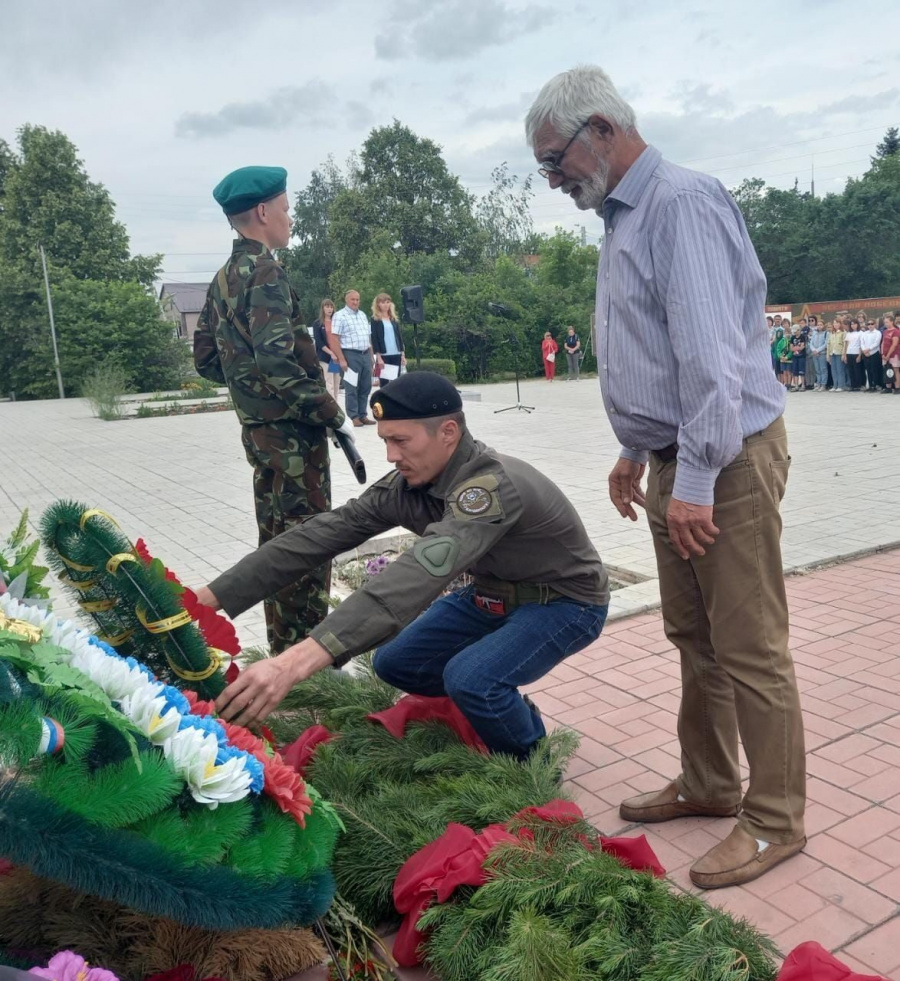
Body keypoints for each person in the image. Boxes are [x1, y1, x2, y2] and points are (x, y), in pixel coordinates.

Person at [527, 65, 806, 889]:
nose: (553, 180)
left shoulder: (680, 202)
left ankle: (775, 817)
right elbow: (658, 352)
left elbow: (713, 361)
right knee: (695, 638)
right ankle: (713, 782)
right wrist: (636, 449)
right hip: (675, 455)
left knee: (750, 648)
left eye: (556, 160)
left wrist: (693, 481)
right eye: (544, 167)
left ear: (603, 129)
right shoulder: (623, 216)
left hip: (723, 461)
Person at [195, 372, 610, 760]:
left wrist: (291, 664)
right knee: (396, 663)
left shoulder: (488, 489)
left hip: (566, 603)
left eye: (401, 441)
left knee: (473, 680)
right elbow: (317, 537)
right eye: (385, 442)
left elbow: (413, 578)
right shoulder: (411, 484)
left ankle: (534, 764)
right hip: (493, 595)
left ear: (448, 433)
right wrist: (205, 601)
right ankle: (497, 710)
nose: (391, 455)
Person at [193, 166, 355, 653]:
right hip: (294, 440)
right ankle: (306, 671)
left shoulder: (223, 277)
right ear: (262, 212)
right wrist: (331, 413)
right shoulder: (265, 271)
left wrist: (252, 398)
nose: (290, 219)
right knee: (306, 549)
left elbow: (205, 358)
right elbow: (279, 363)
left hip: (261, 437)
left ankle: (285, 656)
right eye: (285, 209)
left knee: (277, 548)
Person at [330, 290, 375, 426]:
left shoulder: (362, 315)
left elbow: (368, 336)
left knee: (366, 386)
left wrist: (371, 355)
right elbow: (334, 338)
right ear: (346, 300)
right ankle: (353, 416)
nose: (355, 302)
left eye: (357, 299)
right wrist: (342, 359)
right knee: (351, 387)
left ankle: (363, 415)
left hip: (365, 353)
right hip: (350, 354)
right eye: (352, 300)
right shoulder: (340, 316)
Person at [371, 292, 406, 388]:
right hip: (383, 354)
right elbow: (375, 339)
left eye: (387, 302)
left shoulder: (393, 319)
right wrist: (378, 357)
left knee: (397, 382)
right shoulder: (375, 319)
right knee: (384, 383)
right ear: (378, 304)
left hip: (396, 353)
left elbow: (399, 337)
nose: (385, 305)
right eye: (382, 302)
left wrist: (402, 354)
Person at [312, 299, 340, 401]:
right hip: (325, 357)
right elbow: (319, 342)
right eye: (327, 306)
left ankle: (336, 404)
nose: (329, 309)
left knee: (336, 383)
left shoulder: (337, 322)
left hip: (337, 357)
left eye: (331, 307)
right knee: (329, 383)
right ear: (323, 308)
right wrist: (331, 352)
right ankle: (332, 406)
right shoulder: (318, 323)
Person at [860, 319, 883, 392]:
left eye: (872, 324)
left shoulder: (877, 333)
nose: (870, 325)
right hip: (866, 354)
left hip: (874, 353)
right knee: (868, 370)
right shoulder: (865, 333)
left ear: (875, 324)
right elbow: (862, 342)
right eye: (868, 324)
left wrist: (869, 349)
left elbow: (876, 343)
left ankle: (875, 385)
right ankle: (870, 385)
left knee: (874, 370)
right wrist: (864, 350)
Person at [881, 313, 900, 394]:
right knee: (887, 370)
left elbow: (894, 344)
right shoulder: (885, 331)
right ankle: (888, 387)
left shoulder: (896, 331)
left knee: (895, 370)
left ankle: (897, 387)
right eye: (885, 322)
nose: (886, 324)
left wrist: (888, 355)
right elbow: (883, 343)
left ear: (892, 322)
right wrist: (882, 354)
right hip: (885, 355)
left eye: (887, 322)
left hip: (894, 354)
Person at [827, 319, 848, 392]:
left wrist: (843, 354)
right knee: (834, 370)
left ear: (840, 324)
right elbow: (828, 344)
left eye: (837, 323)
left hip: (839, 353)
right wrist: (828, 355)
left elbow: (844, 344)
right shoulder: (831, 333)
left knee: (840, 370)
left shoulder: (843, 332)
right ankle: (835, 385)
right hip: (832, 353)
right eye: (834, 323)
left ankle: (841, 385)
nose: (835, 324)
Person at [843, 318, 863, 391]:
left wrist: (859, 355)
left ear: (857, 324)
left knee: (857, 370)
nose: (853, 325)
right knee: (850, 370)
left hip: (856, 353)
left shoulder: (860, 333)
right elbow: (846, 345)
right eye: (851, 324)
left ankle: (858, 385)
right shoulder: (848, 333)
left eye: (854, 324)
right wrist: (845, 355)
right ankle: (853, 385)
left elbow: (861, 345)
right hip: (849, 353)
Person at [808, 316, 827, 391]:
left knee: (823, 369)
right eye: (818, 325)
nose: (819, 326)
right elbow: (811, 343)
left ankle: (823, 384)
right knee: (817, 369)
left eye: (821, 325)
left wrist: (818, 350)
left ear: (823, 325)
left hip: (822, 353)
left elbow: (825, 344)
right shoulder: (814, 333)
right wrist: (813, 350)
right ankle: (818, 383)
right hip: (814, 354)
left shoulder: (826, 333)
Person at [790, 325, 807, 392]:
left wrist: (796, 348)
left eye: (796, 331)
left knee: (802, 371)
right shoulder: (792, 337)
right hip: (795, 356)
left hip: (801, 356)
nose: (794, 333)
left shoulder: (802, 337)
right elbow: (791, 348)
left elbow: (802, 347)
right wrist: (796, 349)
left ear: (799, 330)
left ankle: (803, 385)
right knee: (795, 371)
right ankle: (796, 385)